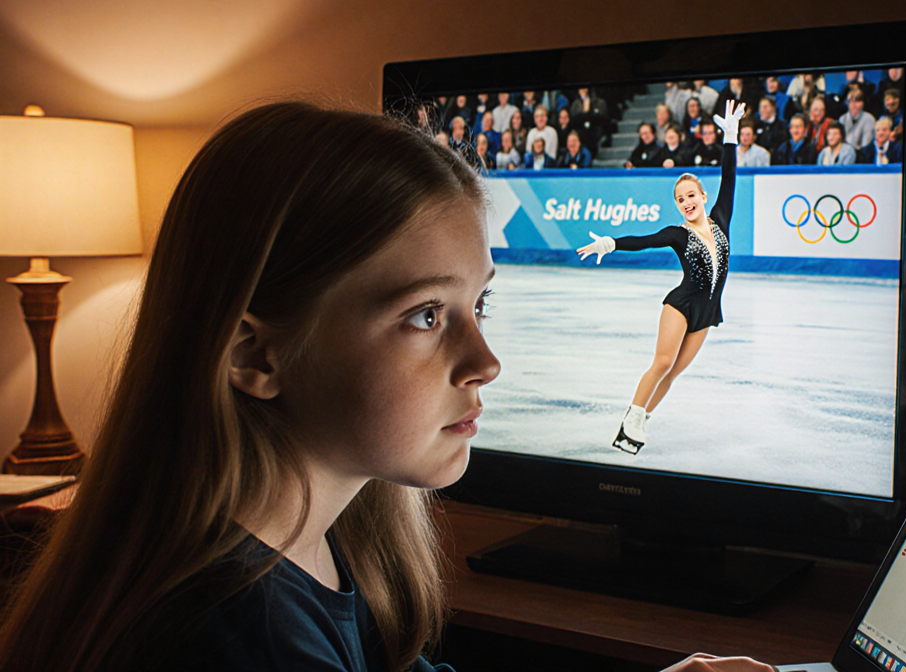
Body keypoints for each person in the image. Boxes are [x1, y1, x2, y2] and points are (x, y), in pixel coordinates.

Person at [0, 101, 777, 672]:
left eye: (481, 304)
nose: (486, 361)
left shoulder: (316, 544)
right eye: (426, 315)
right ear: (256, 356)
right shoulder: (244, 642)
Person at [576, 102, 746, 454]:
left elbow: (729, 178)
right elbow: (643, 241)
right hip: (681, 305)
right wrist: (610, 243)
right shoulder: (677, 234)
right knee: (663, 363)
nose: (686, 202)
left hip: (707, 312)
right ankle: (633, 416)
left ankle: (637, 423)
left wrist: (730, 138)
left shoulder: (721, 219)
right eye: (680, 199)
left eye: (691, 196)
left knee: (673, 374)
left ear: (703, 197)